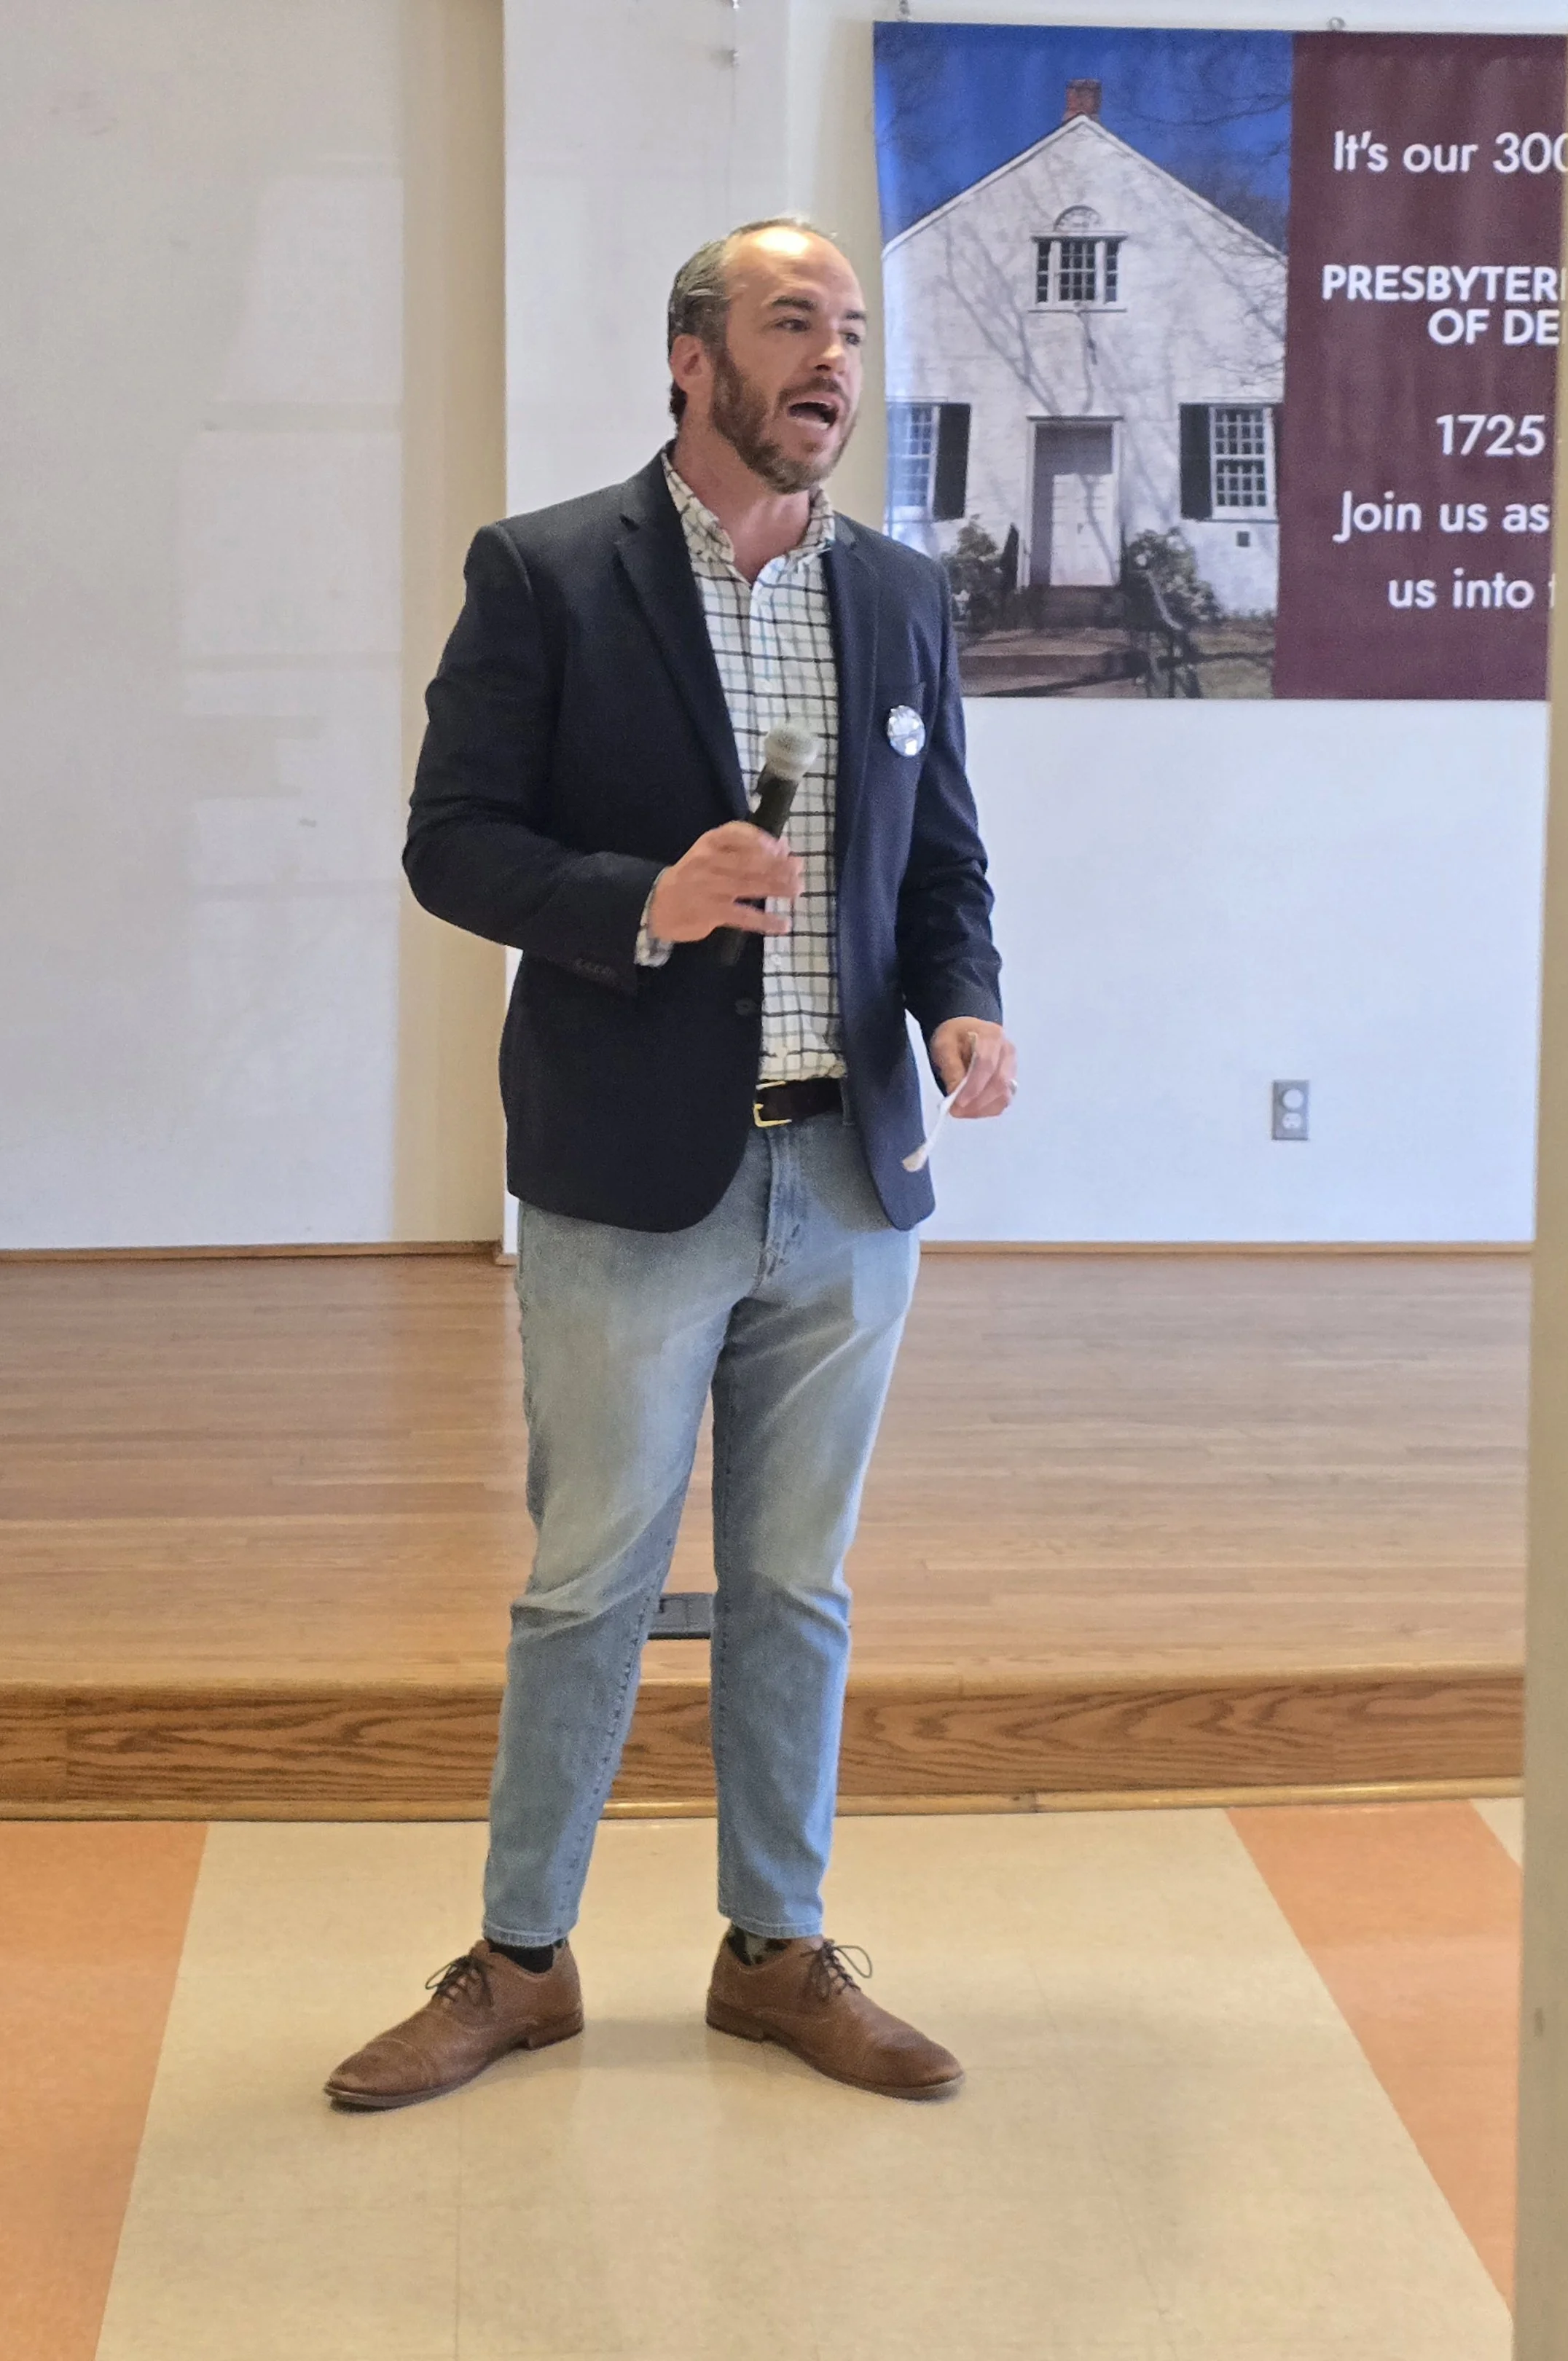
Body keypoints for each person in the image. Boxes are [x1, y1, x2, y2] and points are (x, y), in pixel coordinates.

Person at [325, 216, 1016, 2113]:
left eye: (851, 330)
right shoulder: (549, 571)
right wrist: (648, 898)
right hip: (630, 1180)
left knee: (798, 1586)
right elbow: (453, 844)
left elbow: (943, 858)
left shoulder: (900, 595)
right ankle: (522, 1960)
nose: (834, 361)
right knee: (589, 1582)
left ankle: (775, 1951)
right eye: (795, 323)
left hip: (850, 1181)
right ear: (694, 359)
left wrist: (963, 1004)